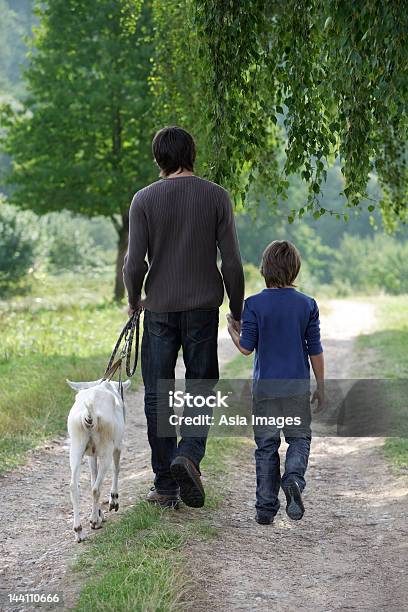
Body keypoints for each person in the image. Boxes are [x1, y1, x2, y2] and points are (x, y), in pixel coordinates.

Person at [123, 126, 244, 509]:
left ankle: (164, 484)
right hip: (203, 308)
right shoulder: (216, 196)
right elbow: (233, 263)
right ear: (192, 153)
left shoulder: (143, 199)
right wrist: (237, 311)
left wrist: (133, 300)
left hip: (158, 308)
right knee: (201, 384)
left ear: (159, 159)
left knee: (158, 393)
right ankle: (188, 454)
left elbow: (132, 264)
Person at [227, 240, 324, 524]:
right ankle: (293, 479)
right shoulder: (307, 305)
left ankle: (265, 509)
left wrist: (233, 330)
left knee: (266, 447)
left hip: (265, 390)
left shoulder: (254, 304)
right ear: (295, 270)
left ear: (264, 269)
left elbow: (246, 348)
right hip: (296, 388)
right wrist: (322, 386)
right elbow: (315, 349)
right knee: (299, 439)